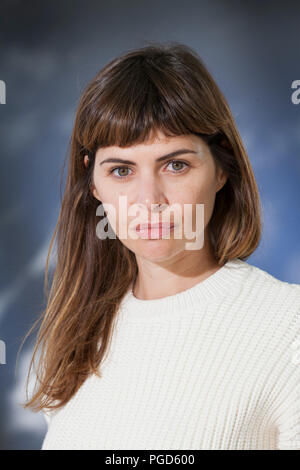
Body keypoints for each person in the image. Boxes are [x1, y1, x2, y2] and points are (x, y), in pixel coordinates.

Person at [22, 42, 300, 450]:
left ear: (222, 169)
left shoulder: (289, 327)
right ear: (93, 182)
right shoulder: (71, 337)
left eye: (176, 165)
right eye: (121, 170)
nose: (149, 200)